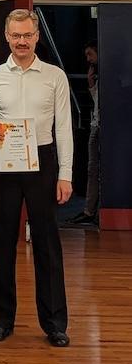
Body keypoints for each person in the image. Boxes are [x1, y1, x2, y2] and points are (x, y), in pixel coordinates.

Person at [0, 8, 73, 347]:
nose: (22, 41)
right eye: (16, 35)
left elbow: (64, 128)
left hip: (43, 161)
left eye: (27, 35)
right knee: (3, 242)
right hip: (6, 162)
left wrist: (65, 174)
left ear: (36, 37)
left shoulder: (55, 76)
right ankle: (2, 320)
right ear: (7, 37)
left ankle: (55, 324)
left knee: (48, 243)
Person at [68, 41, 100, 226]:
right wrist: (90, 83)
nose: (88, 59)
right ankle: (90, 209)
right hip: (96, 124)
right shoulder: (96, 75)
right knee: (92, 168)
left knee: (94, 168)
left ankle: (92, 210)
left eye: (90, 54)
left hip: (100, 125)